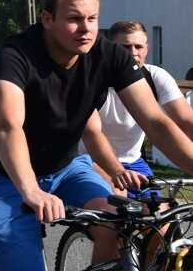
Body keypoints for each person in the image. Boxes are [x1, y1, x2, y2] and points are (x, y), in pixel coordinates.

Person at [0, 0, 193, 271]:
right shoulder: (16, 54)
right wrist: (31, 190)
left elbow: (156, 120)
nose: (85, 29)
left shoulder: (109, 55)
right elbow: (8, 127)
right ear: (47, 19)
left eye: (92, 19)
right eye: (74, 19)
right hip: (5, 176)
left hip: (67, 168)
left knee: (121, 224)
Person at [80, 20, 193, 197]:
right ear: (110, 49)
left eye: (138, 46)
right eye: (124, 47)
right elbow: (92, 134)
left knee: (160, 216)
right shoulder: (92, 81)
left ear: (146, 48)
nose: (132, 53)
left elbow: (187, 121)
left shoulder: (156, 77)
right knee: (118, 204)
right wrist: (116, 172)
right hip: (90, 159)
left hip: (133, 161)